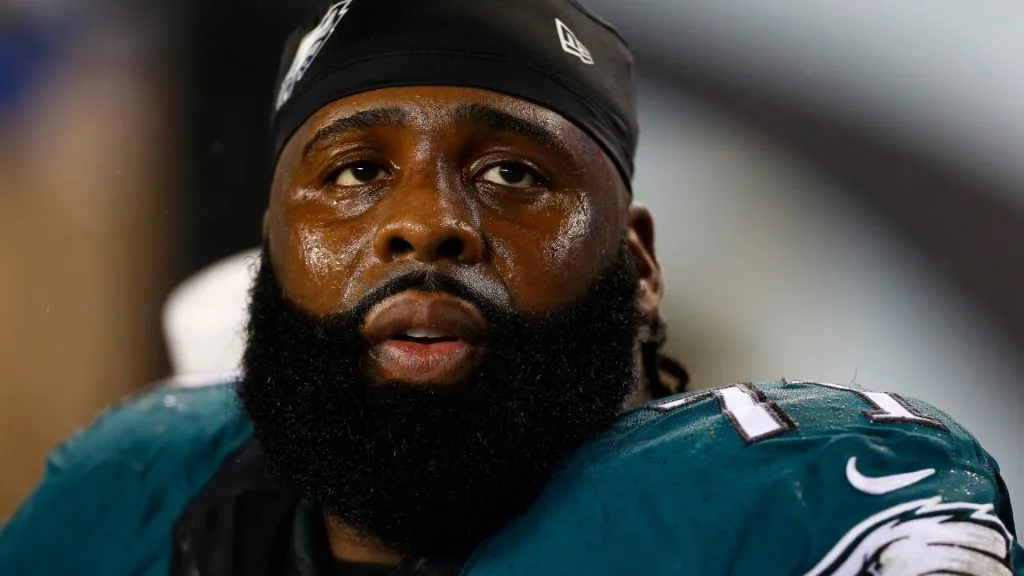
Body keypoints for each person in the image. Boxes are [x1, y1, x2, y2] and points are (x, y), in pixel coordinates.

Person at [1, 1, 1021, 574]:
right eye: (354, 172)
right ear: (274, 258)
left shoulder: (788, 505)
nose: (427, 221)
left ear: (640, 267)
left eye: (511, 174)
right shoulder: (129, 500)